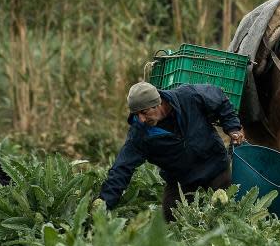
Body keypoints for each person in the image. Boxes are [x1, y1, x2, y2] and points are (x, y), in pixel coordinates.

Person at [99, 81, 245, 221]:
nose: (141, 119)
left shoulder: (187, 97)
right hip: (182, 184)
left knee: (223, 217)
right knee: (172, 224)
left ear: (157, 103)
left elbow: (219, 98)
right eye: (137, 114)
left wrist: (233, 127)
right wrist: (103, 204)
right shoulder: (139, 135)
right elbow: (121, 169)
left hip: (217, 171)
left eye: (144, 112)